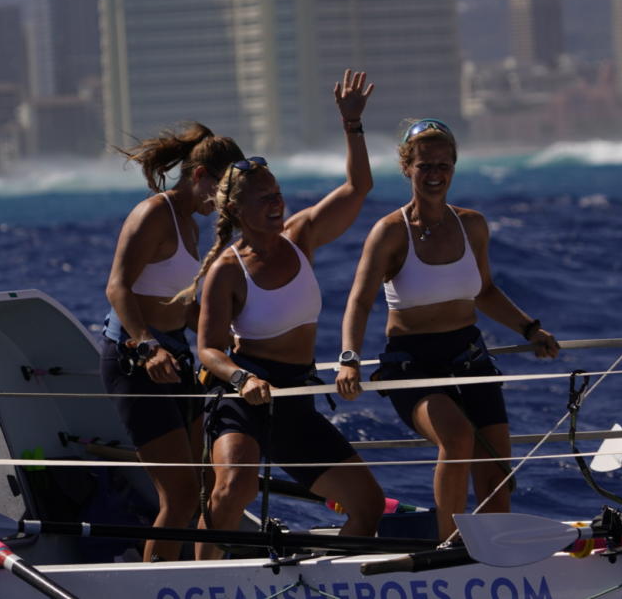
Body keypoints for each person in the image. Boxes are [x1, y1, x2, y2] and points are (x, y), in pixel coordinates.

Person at [335, 118, 560, 539]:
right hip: (413, 365)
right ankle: (447, 548)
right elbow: (359, 302)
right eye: (425, 166)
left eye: (444, 165)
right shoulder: (389, 233)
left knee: (494, 469)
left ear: (454, 167)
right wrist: (349, 359)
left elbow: (486, 290)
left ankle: (498, 551)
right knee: (456, 440)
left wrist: (530, 329)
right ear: (407, 168)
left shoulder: (472, 225)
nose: (435, 175)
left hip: (469, 356)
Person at [192, 70, 381, 558]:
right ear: (236, 210)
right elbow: (207, 348)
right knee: (233, 491)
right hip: (243, 396)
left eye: (277, 194)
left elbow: (359, 187)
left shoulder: (301, 238)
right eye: (264, 198)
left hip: (295, 396)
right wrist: (240, 379)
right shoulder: (227, 271)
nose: (277, 204)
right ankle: (204, 584)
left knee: (369, 505)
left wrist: (352, 125)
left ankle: (332, 586)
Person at [101, 123, 246, 562]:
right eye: (222, 191)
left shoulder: (191, 226)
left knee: (207, 488)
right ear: (199, 175)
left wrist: (229, 341)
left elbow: (184, 307)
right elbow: (118, 288)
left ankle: (205, 579)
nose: (224, 205)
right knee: (180, 497)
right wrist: (147, 345)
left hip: (177, 356)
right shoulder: (153, 214)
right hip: (135, 358)